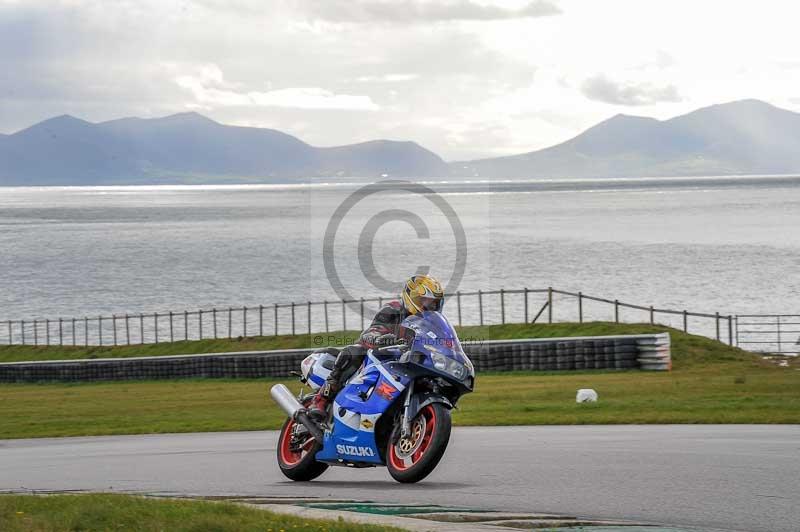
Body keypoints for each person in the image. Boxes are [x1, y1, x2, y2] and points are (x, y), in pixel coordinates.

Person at [307, 274, 445, 420]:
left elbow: (439, 344)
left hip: (405, 365)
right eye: (423, 301)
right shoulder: (393, 310)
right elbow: (372, 331)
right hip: (378, 356)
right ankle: (321, 399)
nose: (428, 307)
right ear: (410, 297)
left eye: (433, 304)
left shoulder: (431, 325)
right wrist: (382, 339)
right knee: (355, 352)